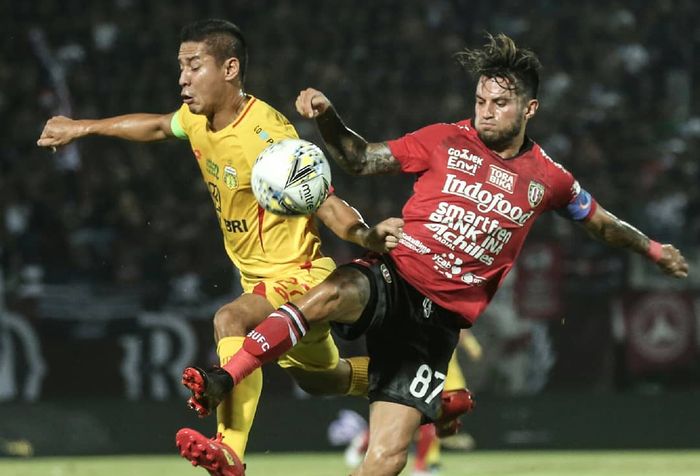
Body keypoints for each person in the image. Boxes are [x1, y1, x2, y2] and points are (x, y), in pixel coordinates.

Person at [179, 33, 689, 476]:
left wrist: (651, 247)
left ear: (529, 110)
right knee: (331, 292)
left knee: (386, 458)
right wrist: (329, 119)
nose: (486, 111)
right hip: (396, 272)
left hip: (438, 322)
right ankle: (228, 376)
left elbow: (600, 221)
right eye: (481, 100)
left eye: (499, 104)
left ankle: (434, 399)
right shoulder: (444, 139)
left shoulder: (549, 179)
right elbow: (359, 158)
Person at [37, 19, 404, 476]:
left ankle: (229, 450)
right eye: (180, 68)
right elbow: (154, 127)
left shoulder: (269, 135)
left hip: (300, 271)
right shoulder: (197, 119)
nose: (182, 79)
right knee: (323, 380)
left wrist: (366, 236)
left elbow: (325, 201)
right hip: (260, 276)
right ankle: (421, 384)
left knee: (230, 318)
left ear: (229, 69)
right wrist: (81, 128)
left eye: (193, 66)